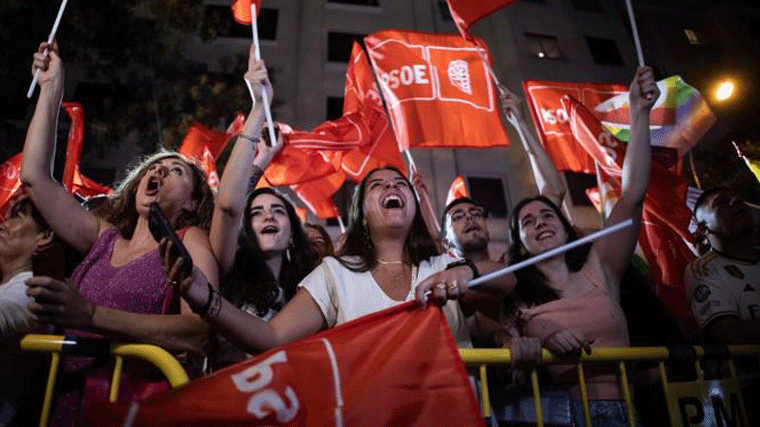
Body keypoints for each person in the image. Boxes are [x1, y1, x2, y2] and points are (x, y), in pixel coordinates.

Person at [21, 41, 218, 426]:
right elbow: (35, 179)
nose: (158, 172)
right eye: (155, 168)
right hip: (64, 406)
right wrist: (51, 89)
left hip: (131, 413)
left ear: (194, 203)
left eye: (176, 171)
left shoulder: (190, 240)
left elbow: (198, 332)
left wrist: (91, 315)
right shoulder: (102, 237)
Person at [162, 165, 517, 354]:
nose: (392, 187)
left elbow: (510, 281)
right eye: (379, 185)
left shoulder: (441, 267)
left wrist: (465, 271)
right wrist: (204, 298)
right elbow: (271, 336)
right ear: (361, 214)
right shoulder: (336, 274)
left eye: (399, 184)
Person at [494, 67, 659, 426]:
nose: (540, 221)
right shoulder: (514, 299)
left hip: (631, 415)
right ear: (519, 247)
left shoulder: (601, 267)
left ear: (567, 230)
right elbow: (502, 346)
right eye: (526, 221)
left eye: (547, 215)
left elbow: (631, 193)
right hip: (559, 419)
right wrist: (540, 341)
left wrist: (638, 114)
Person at [685, 187, 760, 344]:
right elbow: (730, 334)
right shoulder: (704, 270)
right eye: (721, 203)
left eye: (738, 198)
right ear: (703, 228)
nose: (736, 201)